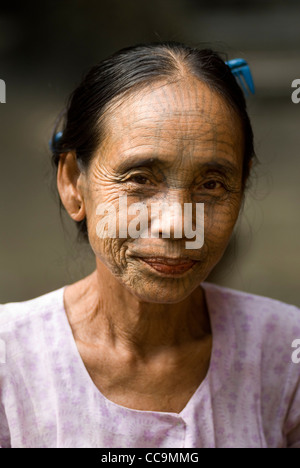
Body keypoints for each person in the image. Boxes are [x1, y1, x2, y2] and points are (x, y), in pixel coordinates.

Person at [0, 42, 299, 449]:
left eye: (211, 184)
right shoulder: (9, 359)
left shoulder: (285, 352)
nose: (177, 224)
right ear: (73, 183)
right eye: (139, 178)